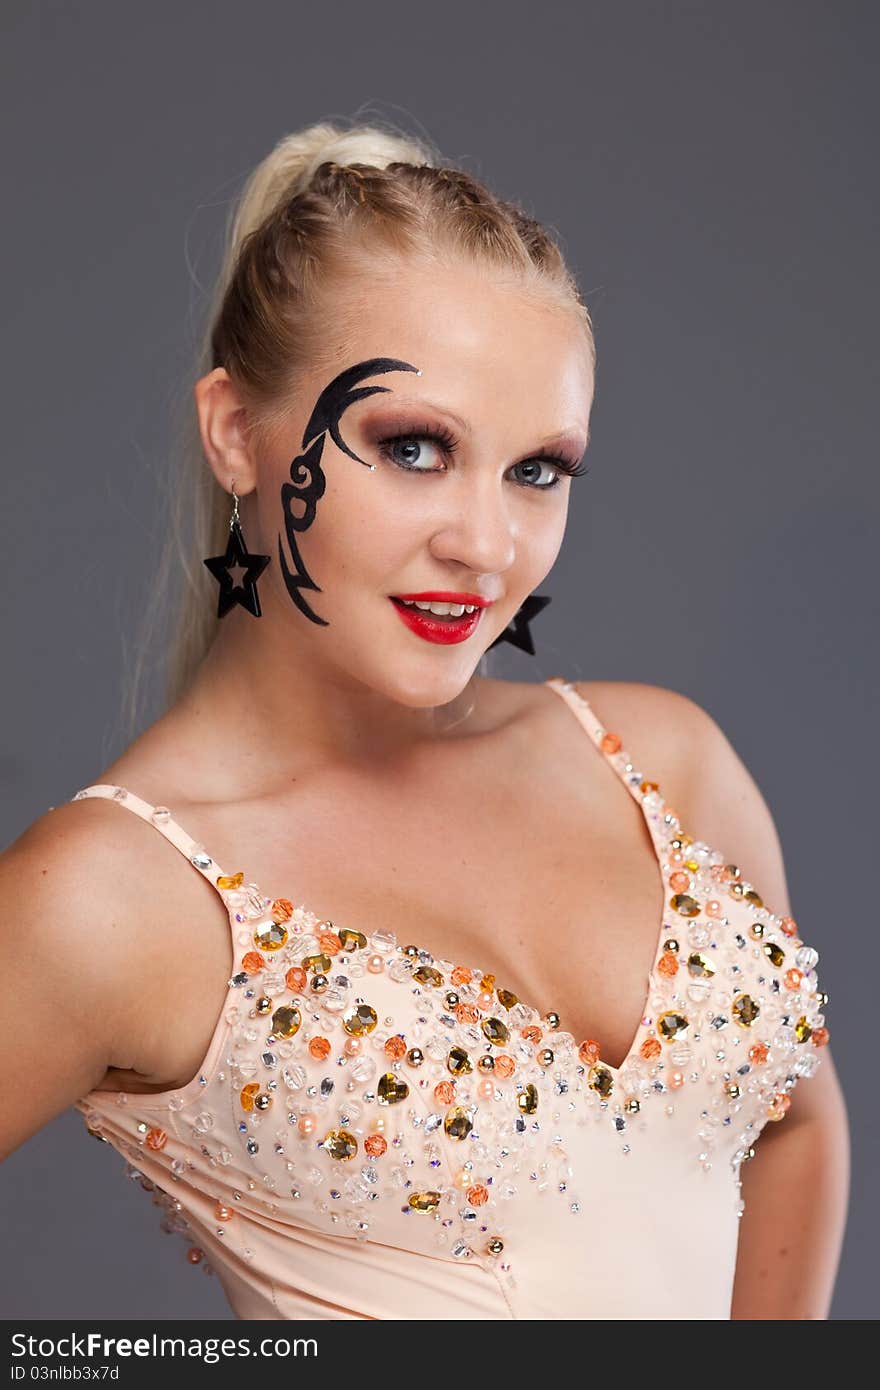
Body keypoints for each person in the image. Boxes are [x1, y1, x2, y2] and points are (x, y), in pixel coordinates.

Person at [1, 120, 849, 1321]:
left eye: (537, 469)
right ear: (236, 432)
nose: (485, 544)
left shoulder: (665, 763)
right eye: (413, 447)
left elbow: (796, 1128)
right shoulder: (114, 895)